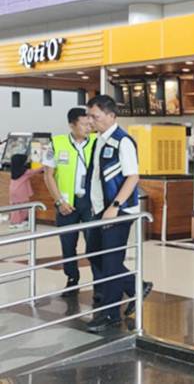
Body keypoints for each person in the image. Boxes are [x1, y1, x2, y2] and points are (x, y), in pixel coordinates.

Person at [84, 95, 152, 333]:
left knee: (112, 262)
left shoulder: (123, 141)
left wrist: (115, 206)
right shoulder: (99, 141)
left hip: (118, 211)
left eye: (95, 116)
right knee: (94, 254)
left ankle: (110, 314)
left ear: (111, 115)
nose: (90, 121)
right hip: (99, 210)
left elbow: (133, 177)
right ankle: (135, 286)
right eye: (89, 116)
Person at [42, 108, 97, 297]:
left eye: (90, 124)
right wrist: (59, 201)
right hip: (66, 203)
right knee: (67, 244)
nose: (88, 128)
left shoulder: (97, 142)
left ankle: (99, 282)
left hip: (90, 203)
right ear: (72, 125)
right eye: (84, 124)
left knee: (94, 243)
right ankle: (72, 279)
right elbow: (48, 176)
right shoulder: (56, 143)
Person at [8, 154, 43, 229]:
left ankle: (14, 221)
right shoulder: (25, 172)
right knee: (23, 207)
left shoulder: (14, 171)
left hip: (13, 191)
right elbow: (36, 171)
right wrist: (45, 166)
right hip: (21, 192)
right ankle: (17, 222)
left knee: (15, 207)